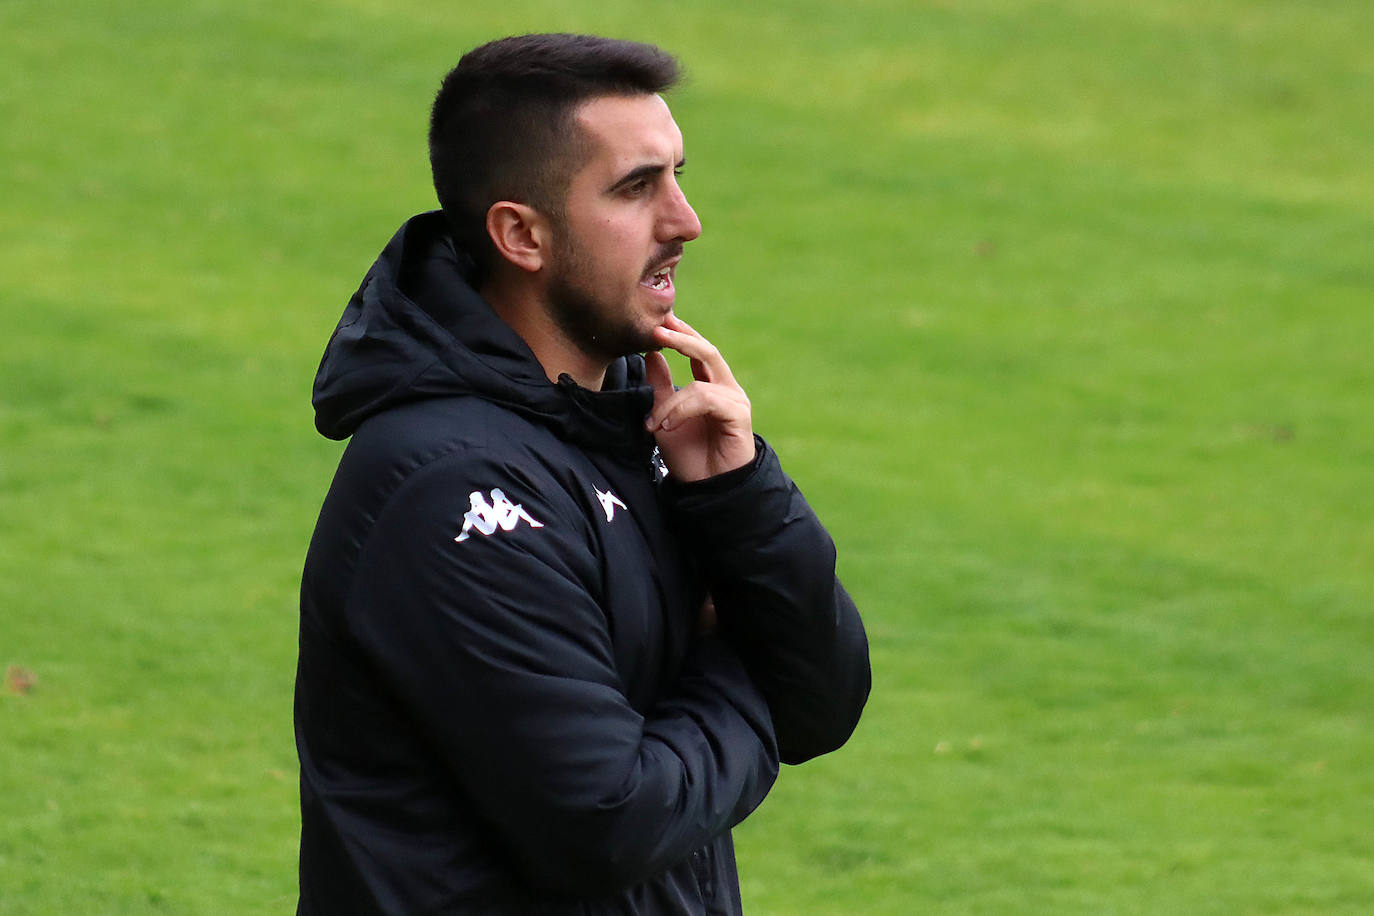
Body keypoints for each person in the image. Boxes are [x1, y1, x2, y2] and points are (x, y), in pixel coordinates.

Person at [295, 33, 870, 915]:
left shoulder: (634, 423)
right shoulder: (451, 489)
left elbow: (826, 702)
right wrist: (744, 658)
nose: (685, 220)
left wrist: (739, 496)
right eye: (637, 188)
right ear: (521, 233)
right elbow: (608, 821)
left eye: (677, 176)